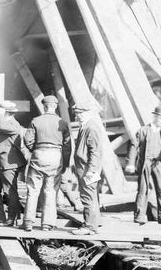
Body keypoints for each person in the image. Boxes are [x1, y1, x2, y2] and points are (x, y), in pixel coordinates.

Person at [22, 95, 71, 231]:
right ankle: (47, 224)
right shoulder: (63, 123)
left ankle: (28, 222)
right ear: (55, 107)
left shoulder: (36, 121)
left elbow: (28, 140)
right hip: (56, 156)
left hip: (39, 154)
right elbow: (67, 147)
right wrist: (65, 164)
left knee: (32, 190)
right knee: (50, 191)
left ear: (44, 107)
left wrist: (35, 149)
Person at [127, 105, 161, 227]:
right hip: (145, 162)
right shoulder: (143, 130)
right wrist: (131, 164)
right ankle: (139, 215)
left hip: (159, 163)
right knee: (143, 189)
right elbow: (134, 146)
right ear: (155, 117)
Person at [0, 100, 25, 226]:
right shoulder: (5, 123)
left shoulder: (12, 124)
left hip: (8, 164)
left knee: (9, 191)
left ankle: (12, 218)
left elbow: (2, 126)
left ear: (5, 111)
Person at [70, 100, 105, 235]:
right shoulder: (85, 126)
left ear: (89, 113)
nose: (78, 115)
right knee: (91, 197)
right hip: (85, 167)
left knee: (87, 197)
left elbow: (95, 152)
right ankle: (94, 223)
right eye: (77, 113)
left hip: (88, 169)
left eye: (81, 113)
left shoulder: (91, 127)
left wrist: (91, 171)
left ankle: (89, 226)